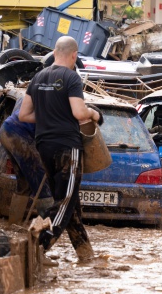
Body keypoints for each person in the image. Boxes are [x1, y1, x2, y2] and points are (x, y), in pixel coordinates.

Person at [18, 36, 101, 261]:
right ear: (74, 55)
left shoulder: (38, 77)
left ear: (55, 52)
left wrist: (47, 117)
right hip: (67, 147)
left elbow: (23, 115)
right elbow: (80, 113)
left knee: (69, 201)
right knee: (65, 202)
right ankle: (36, 249)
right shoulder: (71, 77)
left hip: (44, 145)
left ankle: (86, 255)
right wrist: (95, 113)